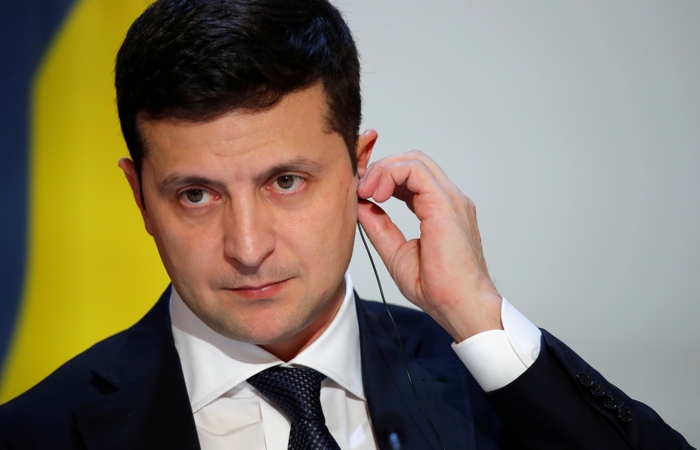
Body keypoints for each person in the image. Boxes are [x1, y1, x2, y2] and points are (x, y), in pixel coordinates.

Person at [0, 0, 693, 449]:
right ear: (140, 198)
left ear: (360, 166)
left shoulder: (491, 394)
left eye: (286, 181)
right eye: (196, 195)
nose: (248, 248)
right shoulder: (34, 432)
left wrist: (478, 315)